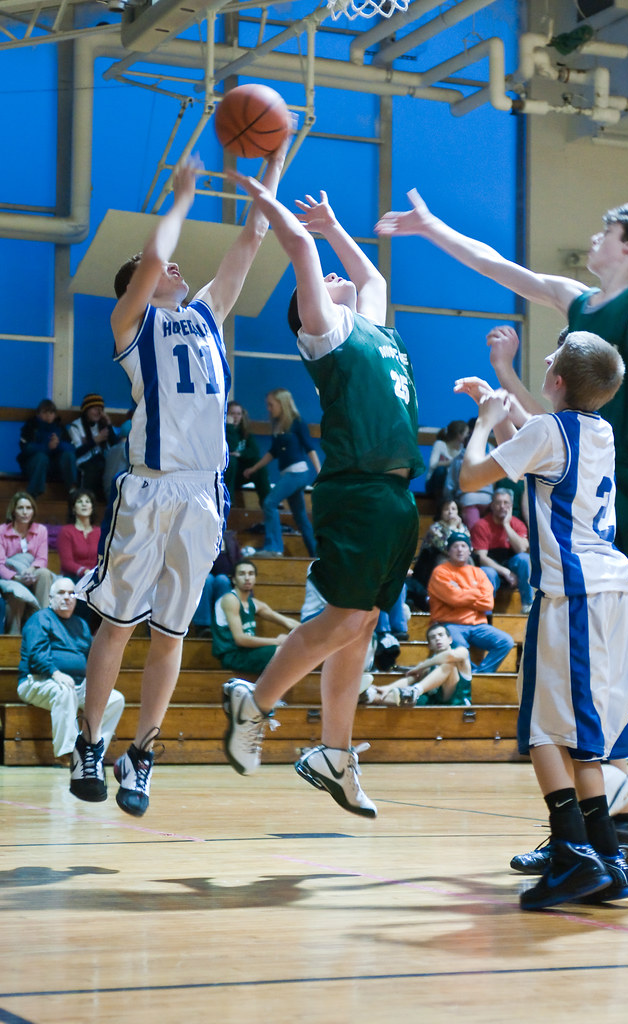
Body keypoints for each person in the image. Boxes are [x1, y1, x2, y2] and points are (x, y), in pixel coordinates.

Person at [377, 193, 628, 862]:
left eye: (605, 227)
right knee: (606, 683)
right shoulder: (576, 301)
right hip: (594, 490)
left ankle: (598, 825)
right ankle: (598, 827)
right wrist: (430, 227)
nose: (594, 235)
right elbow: (494, 266)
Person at [67, 142, 288, 818]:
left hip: (204, 492)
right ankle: (88, 743)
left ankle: (142, 756)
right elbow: (153, 259)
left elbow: (253, 235)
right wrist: (183, 197)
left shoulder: (207, 316)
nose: (178, 267)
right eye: (162, 267)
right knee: (117, 630)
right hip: (150, 488)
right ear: (143, 282)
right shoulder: (133, 324)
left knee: (170, 635)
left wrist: (272, 164)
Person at [221, 181, 423, 818]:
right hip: (357, 493)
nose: (339, 277)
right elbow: (300, 248)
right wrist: (267, 193)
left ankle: (334, 756)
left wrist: (337, 225)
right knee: (343, 620)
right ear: (310, 313)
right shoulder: (327, 336)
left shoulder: (376, 331)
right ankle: (254, 702)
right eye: (325, 282)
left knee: (361, 626)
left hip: (395, 496)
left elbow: (372, 279)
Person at [458, 329, 628, 910]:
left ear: (557, 380)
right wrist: (507, 412)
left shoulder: (548, 431)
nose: (544, 359)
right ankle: (607, 856)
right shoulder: (597, 431)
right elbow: (538, 457)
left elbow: (470, 479)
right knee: (575, 735)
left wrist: (485, 422)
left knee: (543, 730)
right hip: (608, 592)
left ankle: (574, 854)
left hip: (574, 595)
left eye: (552, 358)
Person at [17, 577, 124, 762]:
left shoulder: (81, 624)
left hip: (76, 684)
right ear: (50, 598)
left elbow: (91, 657)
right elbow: (36, 654)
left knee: (115, 699)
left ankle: (92, 750)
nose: (67, 597)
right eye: (61, 593)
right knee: (65, 691)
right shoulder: (40, 619)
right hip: (37, 679)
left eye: (71, 593)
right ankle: (68, 754)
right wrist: (55, 673)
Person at [245, 388, 320, 557]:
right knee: (300, 517)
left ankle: (274, 547)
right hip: (288, 474)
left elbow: (310, 448)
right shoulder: (278, 425)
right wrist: (254, 468)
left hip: (298, 473)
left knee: (270, 503)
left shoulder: (297, 422)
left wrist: (320, 471)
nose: (269, 408)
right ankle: (316, 555)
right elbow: (273, 452)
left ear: (282, 403)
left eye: (271, 405)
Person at [428, 532, 514, 675]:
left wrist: (461, 591)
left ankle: (481, 675)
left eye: (463, 546)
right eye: (455, 546)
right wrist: (475, 593)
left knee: (506, 641)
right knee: (459, 647)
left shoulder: (479, 573)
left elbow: (488, 603)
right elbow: (453, 598)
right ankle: (470, 677)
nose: (460, 549)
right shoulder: (440, 572)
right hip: (450, 624)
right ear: (449, 551)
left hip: (478, 625)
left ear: (470, 550)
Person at [212, 558, 299, 674]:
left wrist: (311, 632)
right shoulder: (230, 600)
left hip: (248, 653)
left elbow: (288, 622)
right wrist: (277, 641)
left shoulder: (254, 603)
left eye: (251, 574)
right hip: (233, 655)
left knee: (295, 651)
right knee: (281, 651)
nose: (247, 578)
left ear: (255, 579)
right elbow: (240, 639)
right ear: (234, 579)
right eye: (242, 574)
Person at [373, 621, 472, 707]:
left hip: (458, 704)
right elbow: (410, 679)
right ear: (429, 646)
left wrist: (421, 666)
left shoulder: (462, 652)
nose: (437, 639)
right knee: (402, 698)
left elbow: (449, 656)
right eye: (433, 637)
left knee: (449, 665)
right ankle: (369, 696)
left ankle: (415, 691)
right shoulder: (428, 665)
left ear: (450, 639)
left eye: (441, 635)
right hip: (436, 703)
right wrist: (389, 687)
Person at [470, 487, 533, 613]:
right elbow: (482, 558)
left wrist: (506, 525)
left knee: (525, 559)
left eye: (506, 503)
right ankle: (486, 614)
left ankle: (528, 606)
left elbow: (522, 548)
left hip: (512, 563)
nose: (502, 506)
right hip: (492, 566)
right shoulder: (481, 525)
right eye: (498, 503)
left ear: (511, 506)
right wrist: (506, 572)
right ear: (492, 505)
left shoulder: (517, 524)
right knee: (487, 573)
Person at [0, 492, 53, 634]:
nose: (25, 512)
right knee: (17, 593)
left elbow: (42, 559)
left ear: (33, 510)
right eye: (20, 508)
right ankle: (13, 635)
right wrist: (17, 577)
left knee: (44, 573)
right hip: (10, 576)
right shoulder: (2, 531)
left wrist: (30, 570)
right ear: (13, 511)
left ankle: (43, 625)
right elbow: (0, 564)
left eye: (29, 508)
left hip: (30, 572)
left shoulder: (41, 530)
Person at [407, 498, 468, 611]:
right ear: (440, 512)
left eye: (453, 509)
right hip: (430, 567)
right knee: (443, 559)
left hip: (456, 565)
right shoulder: (435, 528)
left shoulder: (463, 528)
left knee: (469, 561)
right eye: (446, 509)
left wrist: (458, 529)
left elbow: (469, 549)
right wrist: (452, 528)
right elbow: (446, 549)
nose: (450, 512)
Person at [17, 398, 78, 497]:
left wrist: (58, 445)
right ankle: (33, 493)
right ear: (38, 414)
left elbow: (72, 448)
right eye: (45, 412)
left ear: (55, 414)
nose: (48, 415)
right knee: (41, 457)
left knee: (68, 455)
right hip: (33, 465)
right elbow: (26, 448)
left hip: (55, 466)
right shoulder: (31, 426)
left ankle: (72, 489)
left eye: (51, 412)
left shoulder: (60, 428)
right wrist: (47, 447)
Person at [67, 394, 120, 499]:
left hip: (103, 461)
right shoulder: (76, 426)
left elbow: (116, 447)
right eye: (95, 409)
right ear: (86, 410)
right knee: (94, 466)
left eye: (101, 409)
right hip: (84, 462)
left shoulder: (103, 425)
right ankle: (87, 498)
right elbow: (77, 452)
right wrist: (95, 440)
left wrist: (109, 424)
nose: (98, 412)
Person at [224, 400, 271, 507]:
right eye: (232, 413)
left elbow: (254, 451)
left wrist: (240, 454)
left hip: (241, 473)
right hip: (226, 474)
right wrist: (229, 427)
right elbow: (232, 446)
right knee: (232, 461)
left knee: (257, 463)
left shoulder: (244, 431)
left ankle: (267, 502)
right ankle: (228, 501)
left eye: (238, 414)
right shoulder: (222, 431)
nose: (235, 417)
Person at [57, 489, 101, 583]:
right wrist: (84, 571)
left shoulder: (99, 532)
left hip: (95, 576)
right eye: (80, 502)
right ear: (73, 508)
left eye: (87, 501)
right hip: (73, 577)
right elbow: (67, 563)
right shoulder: (66, 531)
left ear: (92, 508)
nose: (84, 504)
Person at [425, 419, 468, 505]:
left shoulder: (462, 449)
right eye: (466, 433)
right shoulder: (440, 444)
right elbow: (433, 464)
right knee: (441, 470)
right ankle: (440, 502)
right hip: (435, 485)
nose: (468, 435)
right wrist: (451, 462)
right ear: (459, 435)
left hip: (451, 486)